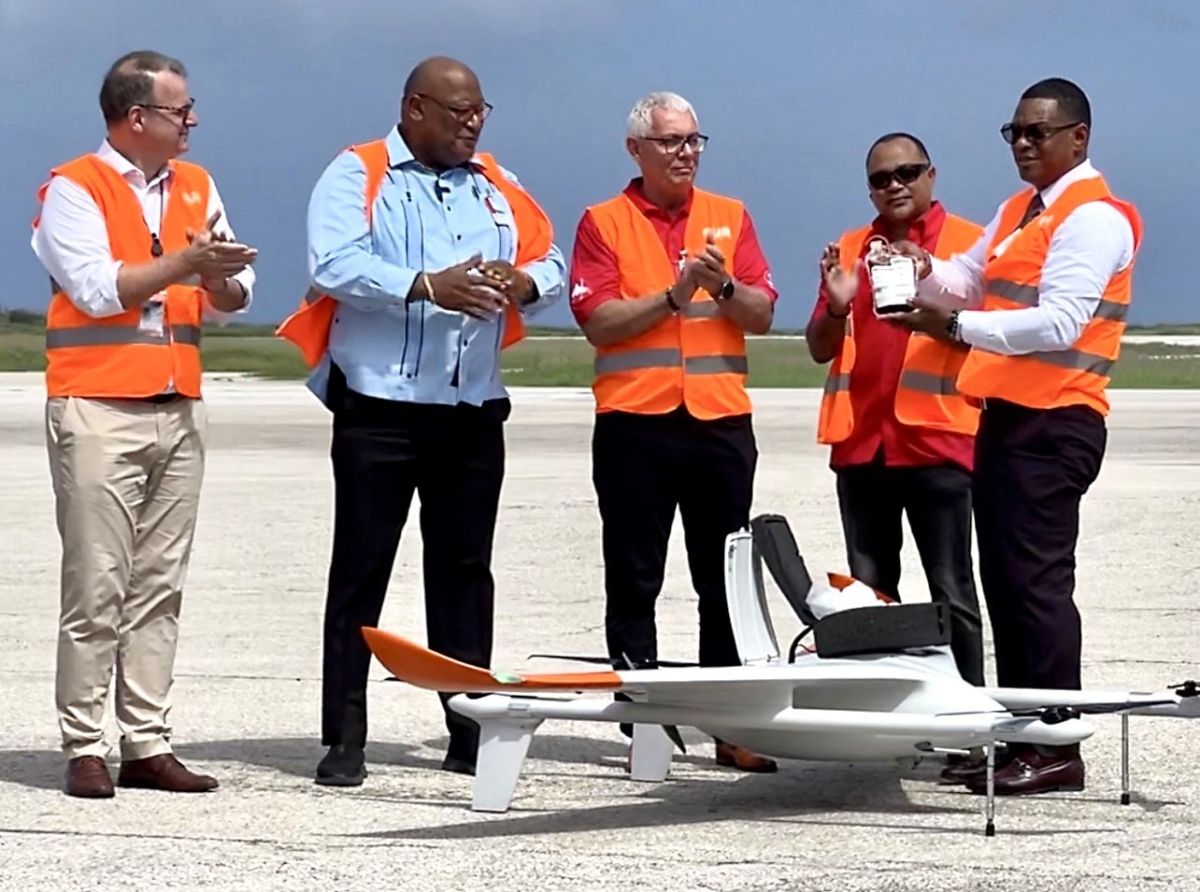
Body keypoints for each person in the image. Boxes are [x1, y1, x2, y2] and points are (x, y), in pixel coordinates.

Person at [277, 56, 566, 786]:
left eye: (480, 111)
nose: (472, 124)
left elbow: (552, 257)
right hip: (380, 408)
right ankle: (344, 737)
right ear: (414, 109)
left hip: (472, 408)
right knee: (362, 570)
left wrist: (525, 282)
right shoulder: (359, 173)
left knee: (464, 572)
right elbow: (334, 265)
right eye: (457, 111)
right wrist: (422, 285)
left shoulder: (498, 182)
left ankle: (469, 731)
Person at [891, 77, 1142, 795]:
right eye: (1015, 133)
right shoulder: (1019, 212)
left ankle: (1058, 741)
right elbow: (967, 280)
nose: (1024, 144)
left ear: (1078, 138)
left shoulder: (1092, 218)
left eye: (1038, 132)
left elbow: (1060, 321)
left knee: (1036, 584)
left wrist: (955, 328)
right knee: (1005, 582)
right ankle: (1022, 732)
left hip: (1057, 419)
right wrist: (916, 268)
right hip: (1006, 419)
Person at [30, 49, 258, 799]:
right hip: (97, 410)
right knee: (97, 586)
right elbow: (96, 290)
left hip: (176, 409)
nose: (190, 121)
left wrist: (220, 273)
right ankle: (84, 743)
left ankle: (148, 741)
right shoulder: (75, 188)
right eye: (178, 109)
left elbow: (237, 292)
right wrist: (186, 263)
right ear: (137, 117)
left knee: (159, 586)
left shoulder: (197, 184)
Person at [569, 91, 779, 773]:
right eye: (671, 143)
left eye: (694, 141)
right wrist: (672, 295)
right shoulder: (604, 222)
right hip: (636, 423)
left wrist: (718, 289)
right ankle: (647, 727)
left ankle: (729, 724)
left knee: (723, 580)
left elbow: (762, 314)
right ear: (637, 150)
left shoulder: (730, 216)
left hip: (718, 420)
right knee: (634, 577)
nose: (686, 153)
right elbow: (598, 321)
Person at [807, 133, 986, 693]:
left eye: (907, 173)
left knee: (951, 589)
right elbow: (819, 345)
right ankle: (884, 712)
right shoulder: (851, 246)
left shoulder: (968, 246)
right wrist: (837, 306)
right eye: (882, 178)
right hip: (863, 446)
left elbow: (994, 339)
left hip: (938, 443)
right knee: (870, 592)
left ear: (931, 175)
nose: (895, 186)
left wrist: (937, 312)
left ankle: (964, 716)